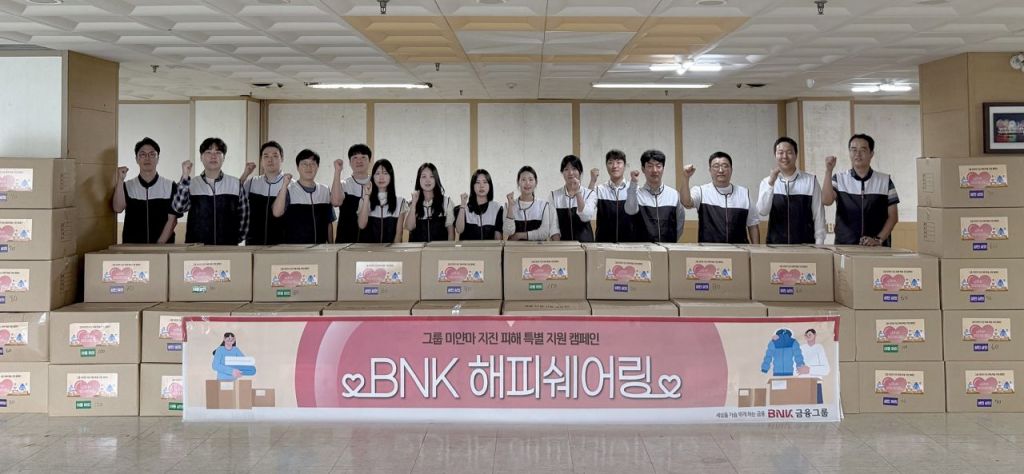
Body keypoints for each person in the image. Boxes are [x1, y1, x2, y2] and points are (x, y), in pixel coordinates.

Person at [822, 133, 900, 247]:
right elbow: (826, 201)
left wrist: (878, 240)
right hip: (845, 246)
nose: (857, 154)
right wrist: (828, 171)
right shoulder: (839, 179)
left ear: (871, 154)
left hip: (876, 247)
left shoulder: (885, 181)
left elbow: (893, 217)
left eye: (863, 150)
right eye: (853, 150)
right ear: (849, 153)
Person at [172, 138, 249, 245]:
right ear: (201, 157)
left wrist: (234, 240)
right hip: (196, 248)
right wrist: (185, 177)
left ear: (224, 158)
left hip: (228, 248)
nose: (213, 156)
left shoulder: (235, 184)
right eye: (208, 152)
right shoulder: (191, 184)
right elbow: (179, 208)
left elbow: (244, 218)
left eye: (218, 152)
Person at [756, 137, 825, 245]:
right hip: (775, 246)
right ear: (775, 155)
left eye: (789, 152)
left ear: (796, 155)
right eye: (780, 153)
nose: (784, 156)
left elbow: (819, 214)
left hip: (806, 246)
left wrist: (819, 243)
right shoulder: (767, 182)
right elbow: (762, 211)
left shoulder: (811, 181)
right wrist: (771, 184)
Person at [112, 137, 181, 244]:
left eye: (152, 154)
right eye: (143, 154)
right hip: (132, 248)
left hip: (163, 248)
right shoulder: (127, 185)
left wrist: (158, 246)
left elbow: (172, 221)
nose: (147, 158)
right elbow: (118, 208)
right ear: (137, 159)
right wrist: (120, 180)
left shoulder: (170, 186)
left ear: (158, 158)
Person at [681, 151, 760, 244]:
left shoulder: (744, 193)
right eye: (716, 166)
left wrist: (756, 249)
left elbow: (753, 225)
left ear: (731, 170)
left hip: (739, 250)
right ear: (710, 170)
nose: (721, 170)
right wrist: (686, 178)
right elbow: (686, 203)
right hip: (710, 250)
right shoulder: (701, 191)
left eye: (725, 166)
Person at [271, 149, 343, 244]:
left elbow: (328, 222)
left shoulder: (324, 190)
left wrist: (331, 245)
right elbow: (276, 213)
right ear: (297, 167)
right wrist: (284, 185)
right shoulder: (288, 190)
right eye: (304, 164)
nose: (308, 167)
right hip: (294, 248)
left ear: (317, 167)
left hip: (320, 248)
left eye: (312, 164)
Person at [625, 149, 685, 243]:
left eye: (658, 166)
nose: (654, 170)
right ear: (643, 169)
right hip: (643, 249)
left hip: (668, 248)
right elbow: (630, 210)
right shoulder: (636, 195)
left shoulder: (674, 195)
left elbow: (680, 223)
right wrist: (633, 183)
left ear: (663, 168)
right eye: (650, 166)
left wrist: (671, 241)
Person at [242, 141, 286, 245]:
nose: (270, 160)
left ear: (282, 158)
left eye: (275, 156)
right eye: (266, 156)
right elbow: (234, 200)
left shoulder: (290, 185)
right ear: (261, 160)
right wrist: (245, 174)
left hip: (282, 246)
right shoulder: (252, 182)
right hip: (253, 244)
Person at [358, 159, 407, 244]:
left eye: (385, 173)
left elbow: (398, 235)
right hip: (367, 250)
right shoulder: (364, 200)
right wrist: (367, 195)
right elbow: (361, 225)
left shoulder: (400, 202)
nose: (381, 177)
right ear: (373, 177)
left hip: (390, 251)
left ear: (391, 176)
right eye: (377, 173)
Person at [549, 155, 597, 242]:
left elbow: (585, 217)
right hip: (563, 245)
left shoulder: (590, 193)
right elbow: (553, 226)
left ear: (580, 172)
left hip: (586, 245)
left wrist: (577, 192)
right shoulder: (554, 195)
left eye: (574, 168)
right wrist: (558, 246)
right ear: (562, 173)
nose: (570, 173)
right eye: (566, 169)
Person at [504, 166, 558, 241]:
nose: (527, 183)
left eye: (531, 179)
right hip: (515, 248)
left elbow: (544, 233)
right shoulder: (509, 205)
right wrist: (510, 207)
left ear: (536, 182)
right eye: (523, 180)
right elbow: (508, 232)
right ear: (518, 182)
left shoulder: (544, 205)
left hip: (537, 248)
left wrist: (519, 235)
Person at [592, 149, 636, 243]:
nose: (614, 166)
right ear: (606, 166)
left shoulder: (634, 190)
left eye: (618, 162)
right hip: (603, 244)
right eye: (610, 162)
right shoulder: (599, 190)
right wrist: (592, 181)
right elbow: (586, 209)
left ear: (625, 166)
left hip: (629, 245)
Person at [405, 163, 455, 242]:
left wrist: (447, 249)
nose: (427, 180)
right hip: (417, 249)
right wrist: (414, 204)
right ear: (419, 180)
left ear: (436, 179)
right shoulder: (412, 203)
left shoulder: (447, 202)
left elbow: (451, 233)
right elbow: (409, 227)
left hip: (439, 249)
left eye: (431, 176)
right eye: (424, 176)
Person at [337, 144, 374, 243]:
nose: (359, 161)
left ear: (370, 161)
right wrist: (337, 172)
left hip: (371, 242)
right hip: (345, 242)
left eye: (363, 157)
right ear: (349, 162)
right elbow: (336, 202)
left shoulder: (377, 184)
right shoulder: (343, 184)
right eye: (355, 158)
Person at [455, 169, 503, 241]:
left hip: (489, 248)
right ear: (473, 186)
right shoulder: (465, 208)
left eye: (485, 182)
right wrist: (462, 206)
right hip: (468, 248)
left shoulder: (497, 208)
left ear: (490, 186)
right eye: (477, 182)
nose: (481, 186)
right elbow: (459, 230)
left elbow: (498, 238)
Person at [797, 328, 830, 403]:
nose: (808, 336)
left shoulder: (819, 348)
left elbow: (826, 369)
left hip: (816, 383)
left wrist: (809, 370)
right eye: (806, 335)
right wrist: (800, 370)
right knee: (802, 406)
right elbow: (796, 367)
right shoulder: (801, 348)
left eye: (810, 334)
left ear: (815, 335)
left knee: (817, 406)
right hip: (802, 382)